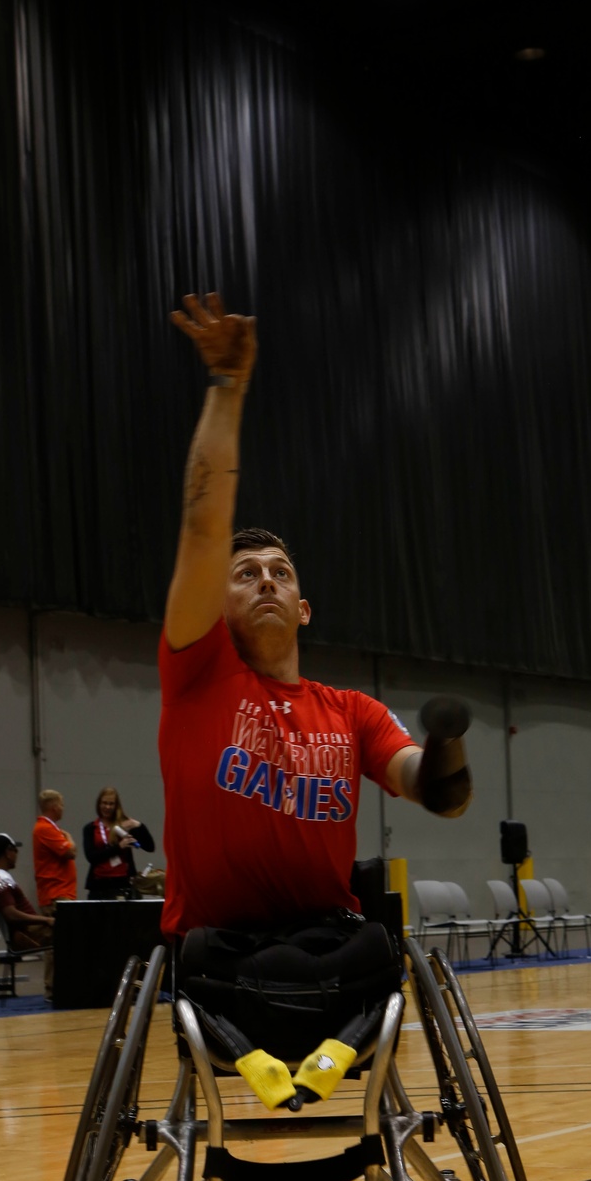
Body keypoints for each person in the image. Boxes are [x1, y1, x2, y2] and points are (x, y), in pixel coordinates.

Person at [158, 291, 472, 1106]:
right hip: (220, 953)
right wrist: (226, 388)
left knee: (380, 942)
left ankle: (331, 1058)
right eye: (246, 573)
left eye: (281, 574)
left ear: (302, 609)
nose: (264, 579)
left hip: (333, 951)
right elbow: (202, 524)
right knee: (200, 960)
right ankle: (260, 1063)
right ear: (217, 607)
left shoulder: (353, 713)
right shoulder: (198, 673)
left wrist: (447, 741)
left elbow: (437, 793)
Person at [0, 834, 55, 995]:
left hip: (25, 932)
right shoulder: (0, 879)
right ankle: (58, 990)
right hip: (28, 934)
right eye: (15, 850)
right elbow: (11, 914)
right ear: (8, 852)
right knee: (76, 932)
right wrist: (46, 919)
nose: (16, 855)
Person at [83, 787, 155, 899]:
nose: (107, 807)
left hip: (123, 884)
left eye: (111, 804)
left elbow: (150, 847)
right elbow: (92, 857)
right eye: (104, 803)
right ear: (99, 804)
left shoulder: (125, 825)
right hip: (99, 885)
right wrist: (119, 847)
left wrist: (138, 825)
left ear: (116, 806)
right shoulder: (91, 828)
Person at [33, 789, 78, 910]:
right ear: (55, 807)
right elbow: (71, 852)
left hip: (60, 894)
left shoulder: (50, 828)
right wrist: (69, 837)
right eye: (61, 804)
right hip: (57, 895)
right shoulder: (45, 828)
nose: (63, 808)